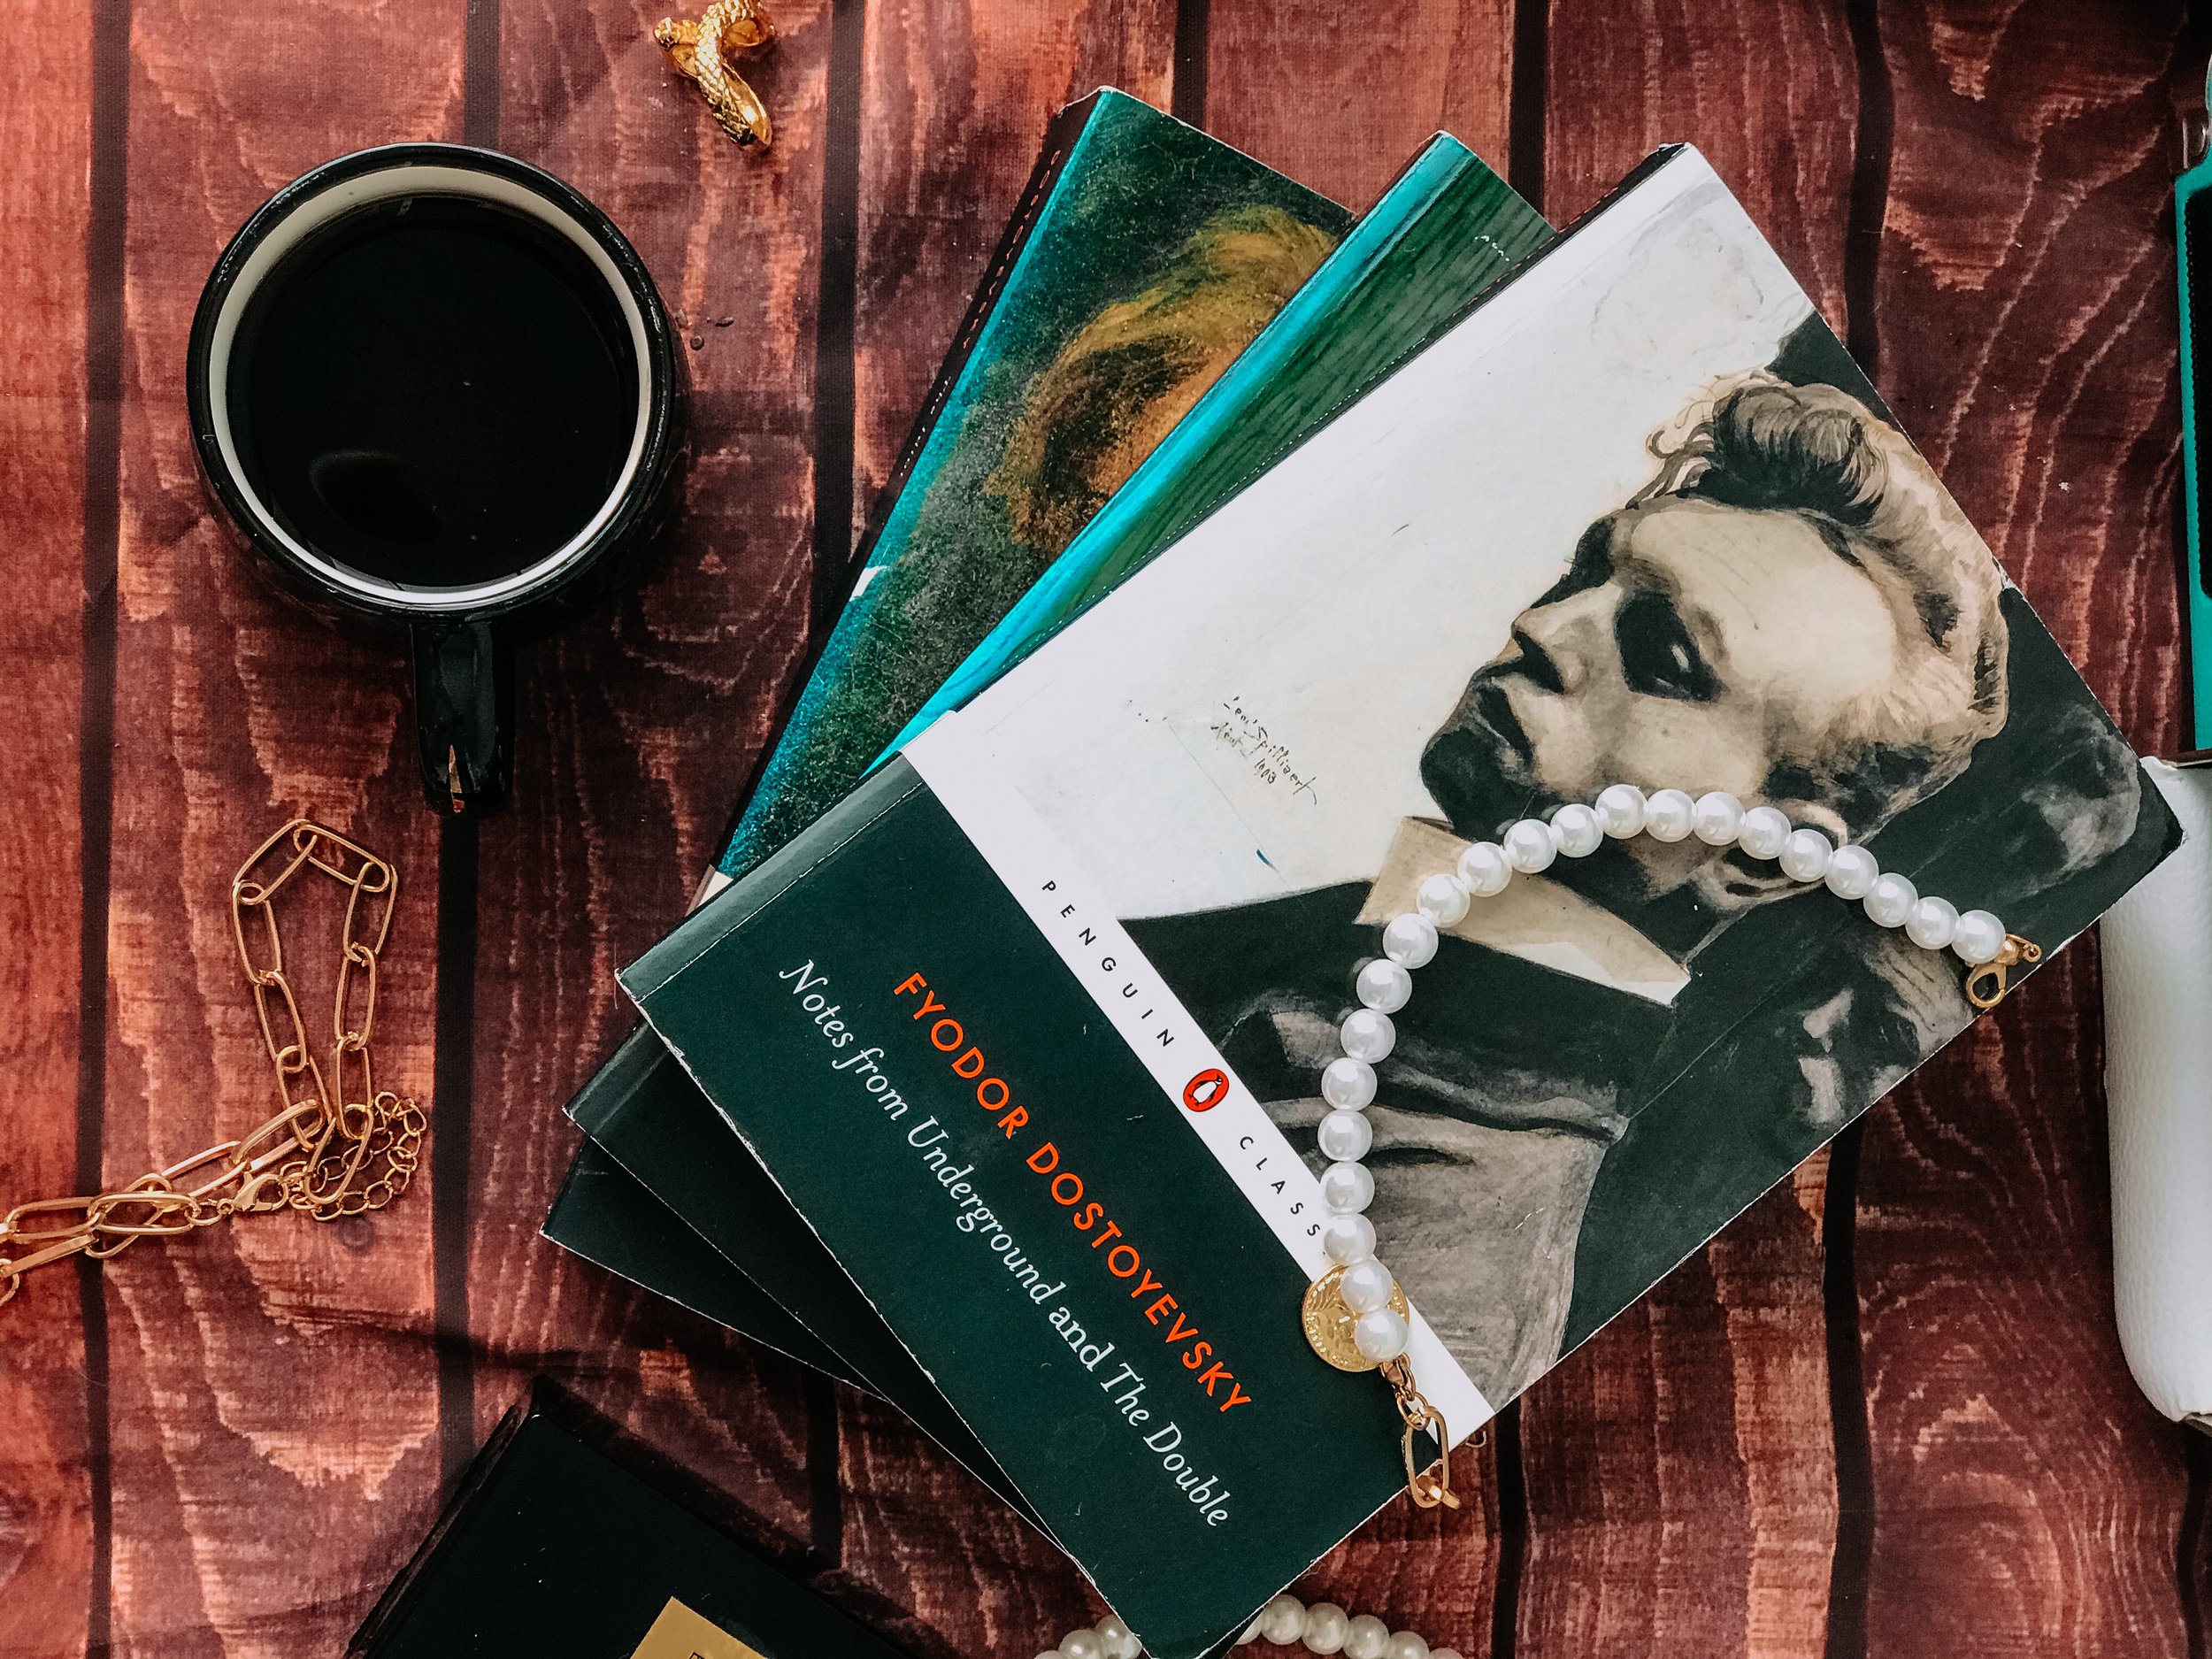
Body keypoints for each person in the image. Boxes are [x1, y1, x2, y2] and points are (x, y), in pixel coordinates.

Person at [1126, 372, 2021, 1403]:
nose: (1543, 628)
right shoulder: (1310, 962)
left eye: (1663, 654)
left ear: (1759, 857)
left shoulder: (1450, 1263)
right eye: (1588, 572)